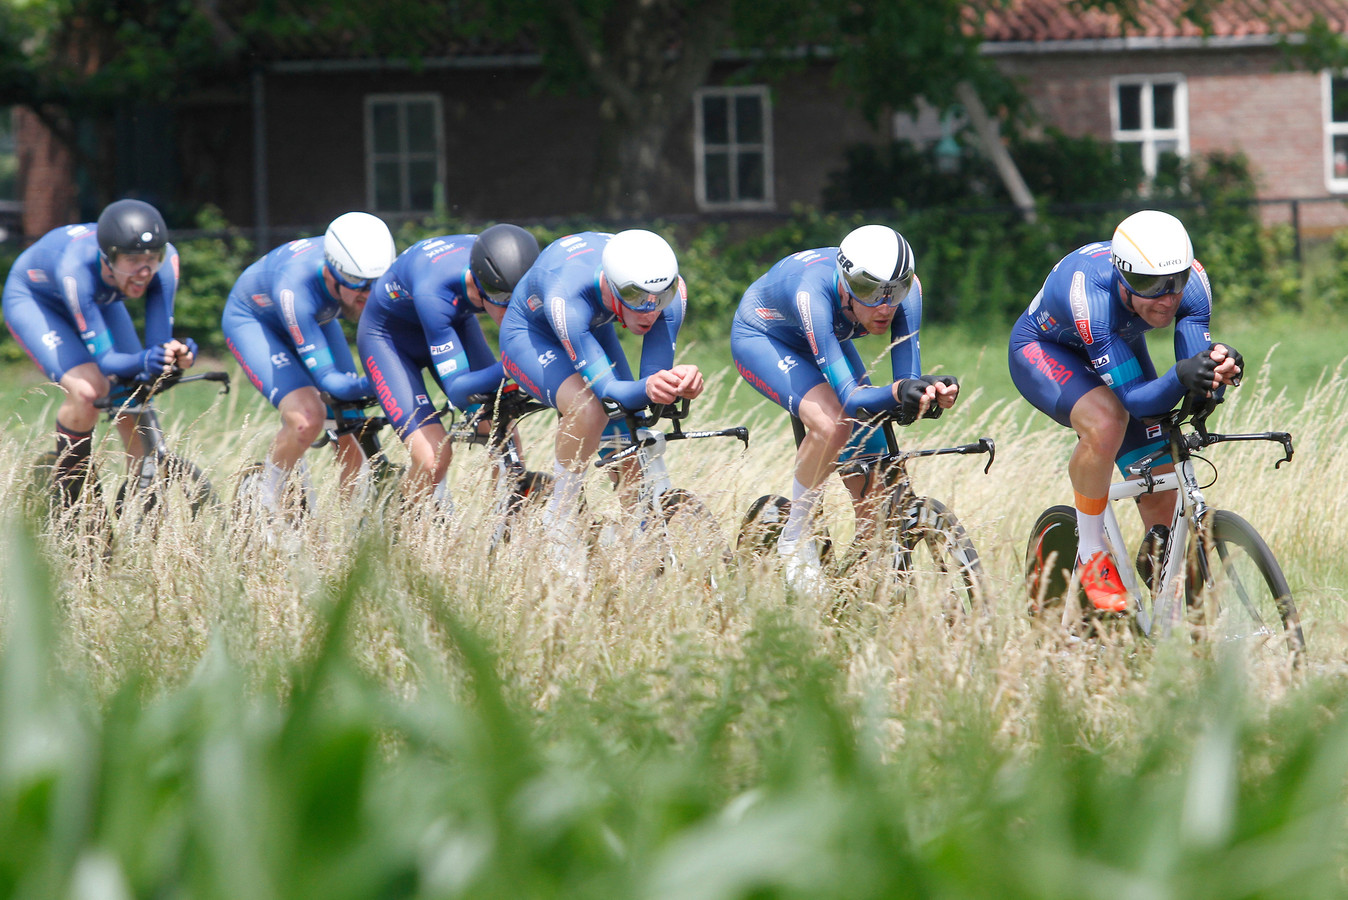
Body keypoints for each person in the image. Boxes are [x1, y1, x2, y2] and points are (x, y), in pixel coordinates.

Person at [1008, 209, 1242, 612]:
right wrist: (1181, 374)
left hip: (1115, 343)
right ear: (1123, 276)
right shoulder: (1093, 296)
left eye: (1175, 284)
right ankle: (1092, 552)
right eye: (1150, 285)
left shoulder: (1193, 285)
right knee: (1107, 422)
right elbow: (1135, 400)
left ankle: (1162, 616)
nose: (1167, 299)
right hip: (1046, 349)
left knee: (1161, 485)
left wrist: (1214, 371)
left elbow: (1185, 381)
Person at [730, 224, 959, 584]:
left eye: (894, 291)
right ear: (845, 281)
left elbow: (905, 385)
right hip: (765, 336)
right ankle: (795, 536)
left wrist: (928, 392)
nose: (884, 306)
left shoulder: (908, 291)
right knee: (834, 423)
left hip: (824, 335)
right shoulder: (814, 293)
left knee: (877, 482)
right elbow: (852, 399)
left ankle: (858, 585)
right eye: (869, 291)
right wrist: (899, 392)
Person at [498, 229, 703, 562]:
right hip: (533, 334)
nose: (650, 310)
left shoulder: (669, 292)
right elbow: (608, 391)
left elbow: (652, 385)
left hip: (595, 322)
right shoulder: (568, 293)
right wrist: (649, 388)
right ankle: (558, 518)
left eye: (659, 298)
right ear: (610, 284)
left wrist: (680, 383)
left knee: (630, 427)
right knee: (590, 410)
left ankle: (640, 542)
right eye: (636, 297)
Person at [2, 198, 197, 506]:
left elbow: (154, 359)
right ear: (108, 258)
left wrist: (176, 357)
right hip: (38, 301)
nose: (145, 271)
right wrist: (145, 359)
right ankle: (71, 496)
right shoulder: (75, 268)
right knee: (88, 390)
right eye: (133, 260)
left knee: (136, 391)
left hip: (99, 298)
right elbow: (107, 361)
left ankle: (143, 500)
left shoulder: (165, 263)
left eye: (152, 258)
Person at [356, 224, 540, 512]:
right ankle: (394, 530)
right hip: (389, 338)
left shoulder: (500, 271)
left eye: (517, 297)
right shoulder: (435, 290)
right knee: (433, 457)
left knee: (500, 430)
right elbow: (458, 391)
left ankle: (503, 529)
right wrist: (510, 367)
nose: (509, 309)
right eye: (500, 297)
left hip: (455, 319)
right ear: (479, 284)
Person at [222, 211, 396, 513]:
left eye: (376, 283)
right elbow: (328, 380)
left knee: (351, 422)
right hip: (255, 321)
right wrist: (376, 382)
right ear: (331, 272)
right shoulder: (296, 286)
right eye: (359, 284)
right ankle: (267, 506)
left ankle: (359, 533)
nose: (369, 294)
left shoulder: (360, 268)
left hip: (317, 316)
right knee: (307, 418)